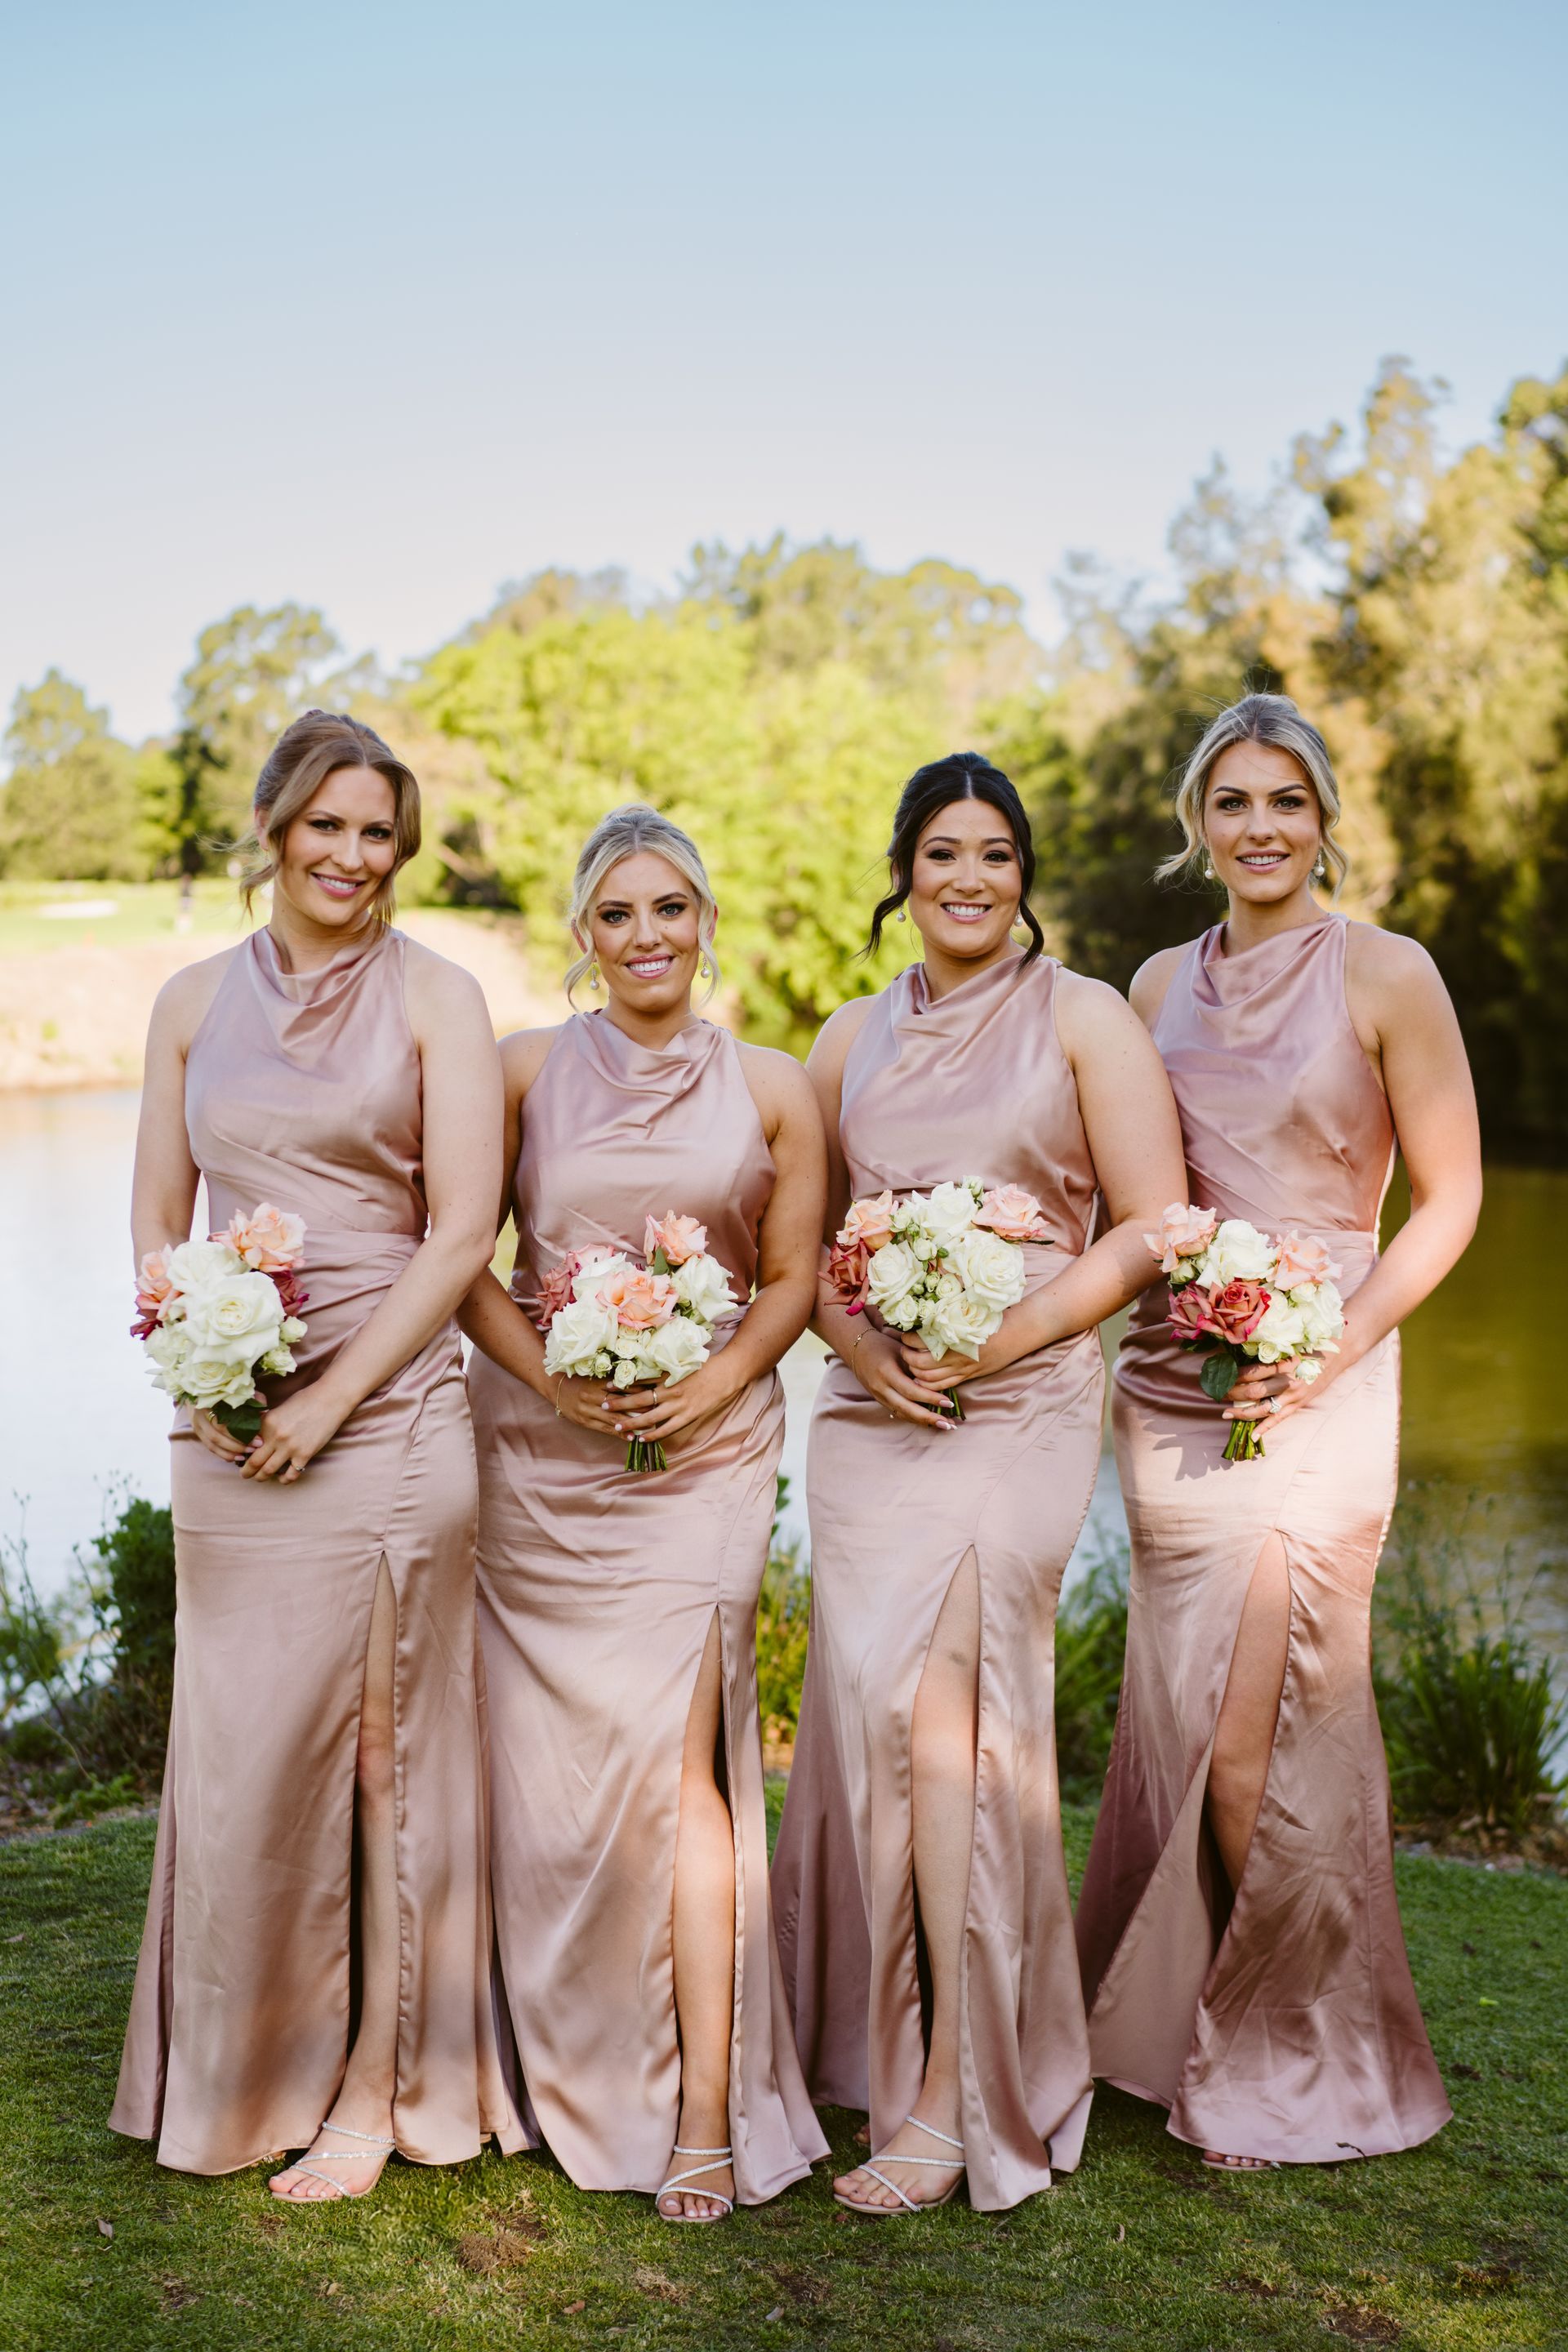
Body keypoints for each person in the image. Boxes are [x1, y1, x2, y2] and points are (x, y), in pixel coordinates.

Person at [772, 751, 1187, 2215]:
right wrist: (862, 1348)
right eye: (942, 852)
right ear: (903, 872)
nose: (968, 878)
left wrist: (1003, 1336)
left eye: (997, 854)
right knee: (874, 1714)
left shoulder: (1085, 1019)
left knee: (956, 1720)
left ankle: (955, 2099)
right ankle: (863, 2044)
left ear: (1026, 874)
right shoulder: (844, 1039)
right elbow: (796, 1250)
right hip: (874, 1415)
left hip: (1023, 1407)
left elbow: (1149, 1231)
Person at [110, 710, 518, 2198]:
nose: (352, 854)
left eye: (379, 832)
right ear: (275, 828)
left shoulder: (442, 997)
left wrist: (326, 1401)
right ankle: (234, 2072)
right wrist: (199, 1356)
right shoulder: (186, 1001)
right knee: (240, 1756)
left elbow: (463, 1230)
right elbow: (162, 1221)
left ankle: (377, 2092)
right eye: (327, 824)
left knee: (385, 1766)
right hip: (225, 1425)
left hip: (389, 1419)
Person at [1076, 693, 1481, 2170]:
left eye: (1285, 803)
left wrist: (1330, 1346)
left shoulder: (1389, 974)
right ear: (1199, 823)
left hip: (1324, 1386)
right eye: (1232, 804)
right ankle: (1165, 2025)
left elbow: (1449, 1203)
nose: (1259, 829)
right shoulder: (1146, 991)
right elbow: (1123, 1194)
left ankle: (1295, 2055)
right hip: (1176, 1393)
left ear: (1324, 820)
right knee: (1180, 1720)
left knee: (1267, 1742)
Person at [461, 804, 829, 2223]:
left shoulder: (782, 1086)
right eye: (616, 914)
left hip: (706, 1457)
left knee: (687, 1775)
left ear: (708, 919)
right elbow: (470, 1258)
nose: (645, 936)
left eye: (669, 907)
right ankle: (549, 2064)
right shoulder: (518, 1071)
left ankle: (702, 2112)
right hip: (541, 1462)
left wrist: (717, 1379)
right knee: (552, 1780)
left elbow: (791, 1279)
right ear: (581, 935)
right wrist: (557, 1369)